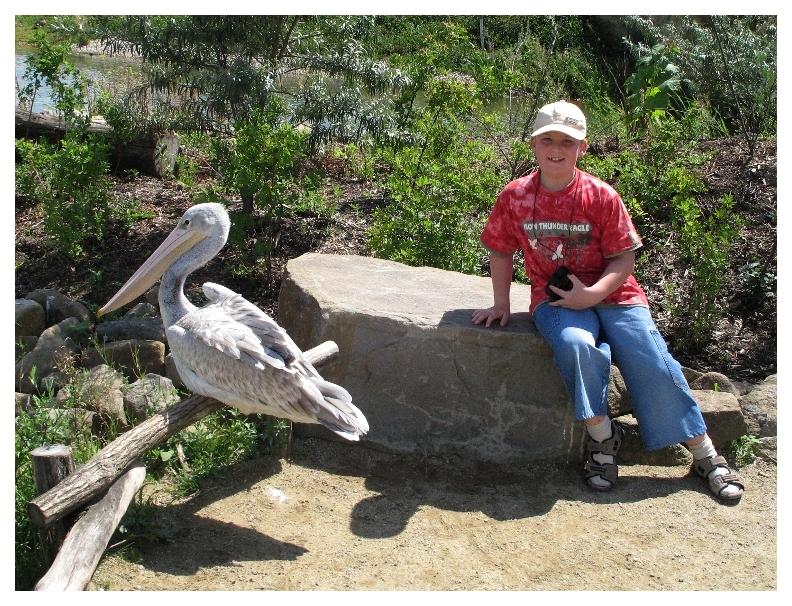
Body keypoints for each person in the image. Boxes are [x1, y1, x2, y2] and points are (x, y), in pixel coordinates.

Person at [471, 100, 744, 502]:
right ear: (533, 144)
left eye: (568, 141)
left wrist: (593, 294)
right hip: (558, 300)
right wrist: (500, 303)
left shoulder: (600, 195)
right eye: (548, 139)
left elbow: (623, 257)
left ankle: (706, 456)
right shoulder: (515, 196)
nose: (556, 149)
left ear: (582, 147)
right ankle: (603, 439)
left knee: (649, 357)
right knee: (577, 347)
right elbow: (499, 248)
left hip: (617, 296)